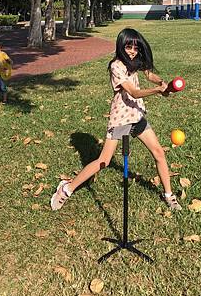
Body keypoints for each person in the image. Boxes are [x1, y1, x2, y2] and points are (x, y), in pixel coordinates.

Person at [51, 28, 182, 211]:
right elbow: (134, 92)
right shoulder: (116, 66)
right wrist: (157, 91)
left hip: (136, 116)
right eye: (129, 47)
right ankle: (66, 188)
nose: (132, 51)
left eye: (136, 48)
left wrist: (162, 83)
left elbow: (149, 73)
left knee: (159, 153)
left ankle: (169, 195)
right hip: (120, 119)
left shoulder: (134, 61)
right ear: (121, 45)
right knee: (103, 161)